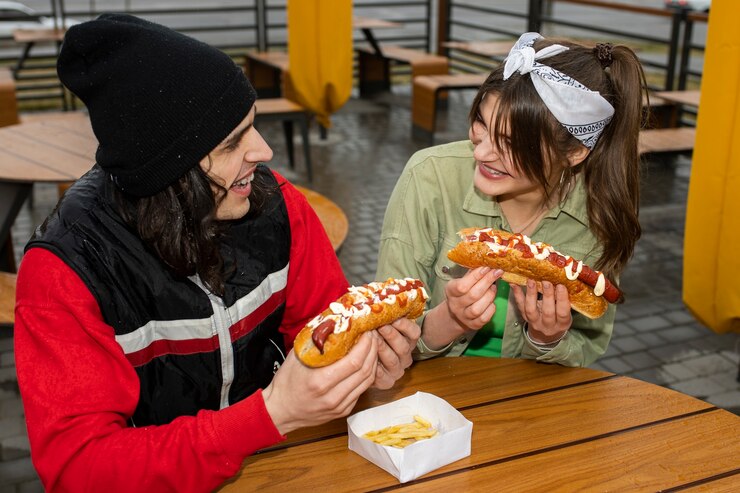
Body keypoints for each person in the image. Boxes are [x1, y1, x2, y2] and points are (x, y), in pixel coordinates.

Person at [14, 14, 420, 492]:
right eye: (233, 142)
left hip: (284, 468)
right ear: (170, 171)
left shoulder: (281, 206)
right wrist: (268, 415)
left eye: (253, 127)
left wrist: (363, 372)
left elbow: (318, 333)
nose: (265, 151)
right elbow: (79, 470)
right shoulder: (66, 269)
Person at [376, 32, 647, 367]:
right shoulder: (430, 177)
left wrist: (546, 339)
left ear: (575, 151)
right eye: (481, 123)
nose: (483, 151)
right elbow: (387, 338)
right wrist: (450, 320)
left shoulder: (599, 217)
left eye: (512, 143)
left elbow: (588, 347)